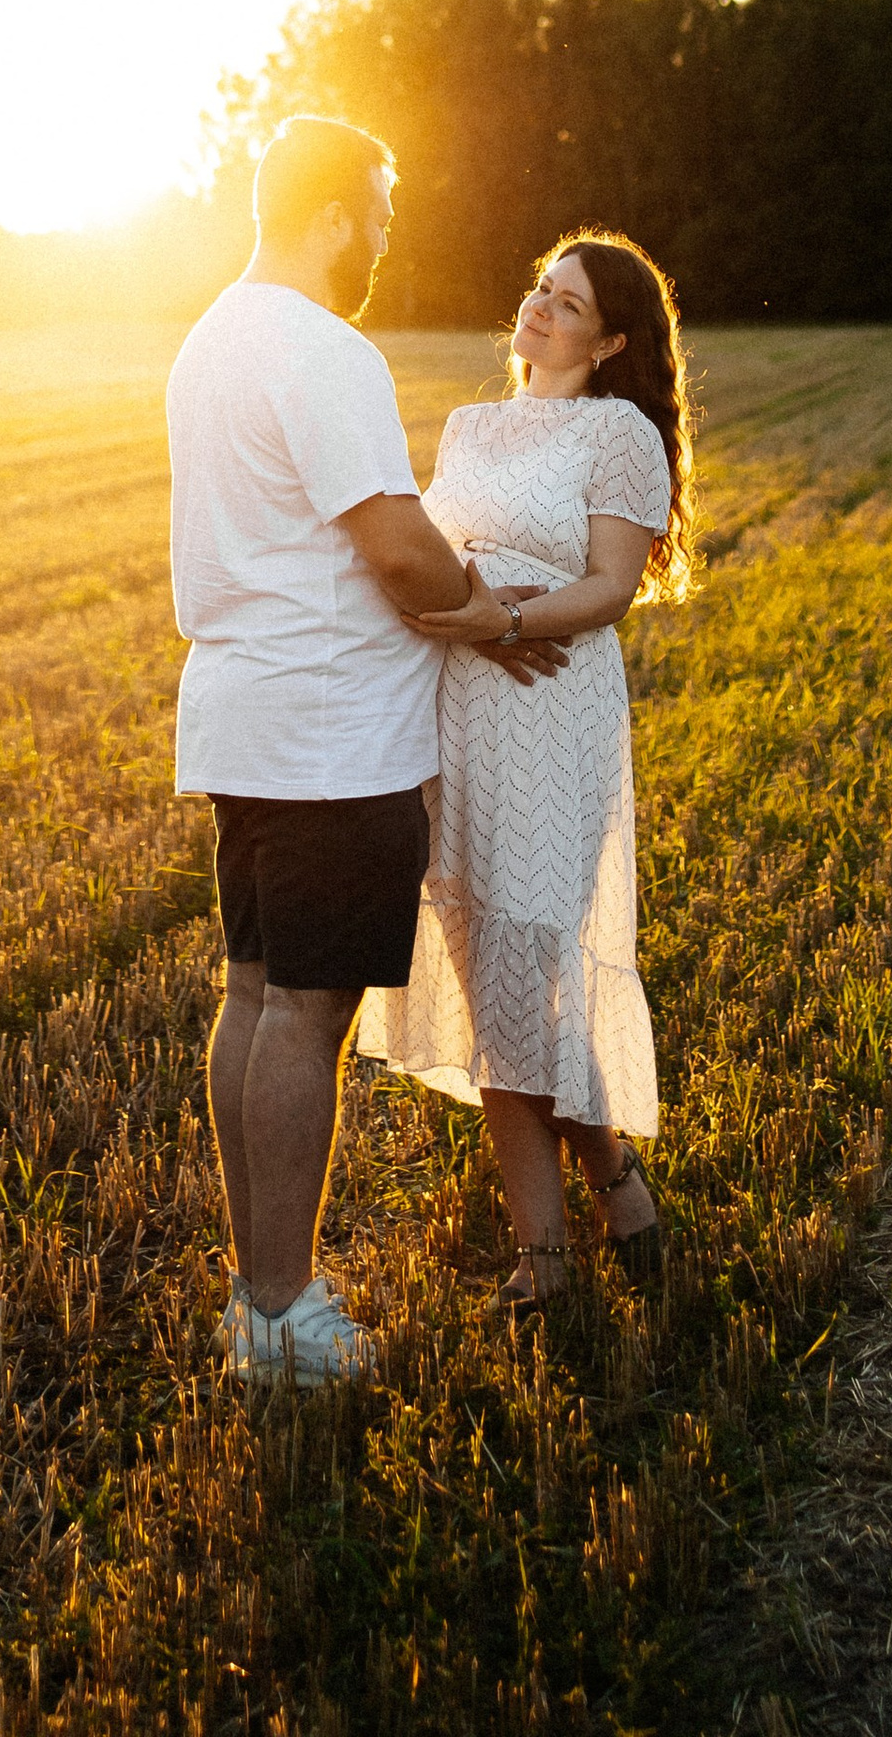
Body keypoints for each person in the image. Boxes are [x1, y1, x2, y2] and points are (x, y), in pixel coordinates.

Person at [166, 115, 558, 1386]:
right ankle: (284, 1315)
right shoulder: (320, 347)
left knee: (254, 995)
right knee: (306, 1012)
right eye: (379, 212)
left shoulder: (212, 338)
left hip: (247, 716)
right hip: (331, 735)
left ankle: (256, 1301)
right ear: (333, 214)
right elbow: (393, 545)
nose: (385, 236)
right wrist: (488, 611)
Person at [360, 231, 693, 1301]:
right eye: (542, 289)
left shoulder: (619, 433)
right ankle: (614, 1181)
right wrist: (469, 612)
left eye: (570, 303)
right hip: (451, 713)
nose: (540, 308)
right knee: (490, 970)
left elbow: (609, 588)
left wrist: (501, 621)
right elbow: (429, 559)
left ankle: (543, 1260)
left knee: (528, 968)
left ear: (611, 343)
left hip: (552, 710)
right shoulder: (468, 426)